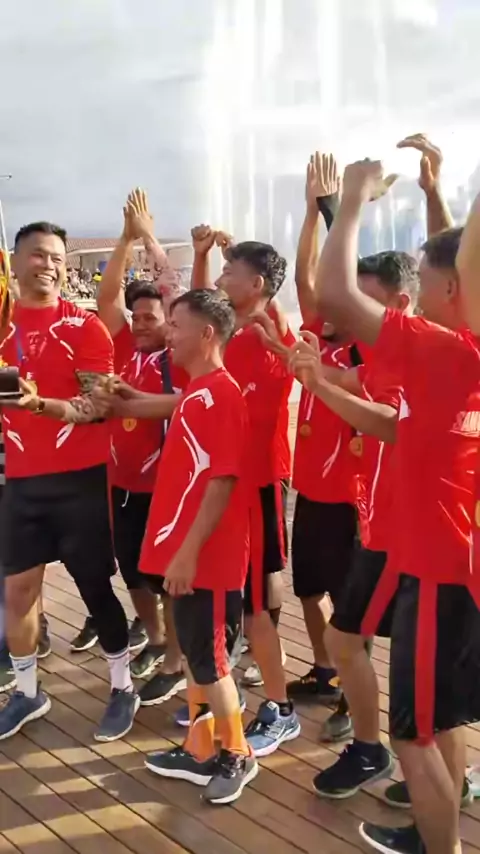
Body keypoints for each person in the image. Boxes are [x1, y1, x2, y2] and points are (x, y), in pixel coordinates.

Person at [316, 159, 480, 854]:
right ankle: (435, 827)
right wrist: (320, 385)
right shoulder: (460, 356)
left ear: (451, 289)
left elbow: (332, 292)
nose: (414, 284)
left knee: (413, 735)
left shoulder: (446, 354)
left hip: (439, 572)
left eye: (425, 274)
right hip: (446, 563)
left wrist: (349, 200)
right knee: (438, 721)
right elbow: (396, 428)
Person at [0, 221, 138, 743]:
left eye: (58, 258)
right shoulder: (2, 326)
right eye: (39, 255)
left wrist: (40, 405)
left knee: (94, 587)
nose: (50, 265)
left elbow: (98, 407)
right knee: (18, 593)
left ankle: (122, 685)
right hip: (22, 483)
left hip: (80, 481)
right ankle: (28, 692)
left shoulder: (85, 327)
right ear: (16, 261)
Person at [289, 249, 419, 799]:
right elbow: (340, 374)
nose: (348, 310)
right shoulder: (380, 359)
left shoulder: (427, 355)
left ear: (401, 303)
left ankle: (440, 781)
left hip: (423, 536)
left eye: (363, 301)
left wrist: (321, 386)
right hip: (379, 525)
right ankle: (371, 748)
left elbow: (391, 423)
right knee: (348, 638)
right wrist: (308, 368)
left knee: (420, 666)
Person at [138, 288, 257, 805]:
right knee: (195, 655)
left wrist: (187, 553)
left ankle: (238, 753)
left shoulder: (221, 394)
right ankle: (201, 746)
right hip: (186, 553)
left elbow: (223, 480)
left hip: (208, 560)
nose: (168, 333)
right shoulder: (196, 391)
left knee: (212, 661)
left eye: (176, 325)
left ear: (206, 334)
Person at [191, 234, 300, 755]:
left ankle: (281, 709)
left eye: (228, 272)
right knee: (236, 598)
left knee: (256, 605)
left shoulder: (272, 334)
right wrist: (202, 256)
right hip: (227, 484)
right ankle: (223, 694)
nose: (219, 280)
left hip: (256, 484)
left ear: (255, 284)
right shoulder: (233, 332)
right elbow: (196, 316)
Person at [84, 190, 189, 705]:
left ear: (169, 321)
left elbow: (174, 289)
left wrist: (149, 236)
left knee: (166, 577)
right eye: (138, 317)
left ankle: (174, 661)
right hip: (120, 485)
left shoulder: (178, 356)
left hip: (163, 488)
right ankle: (155, 637)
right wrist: (125, 240)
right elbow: (108, 301)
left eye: (151, 317)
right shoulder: (123, 346)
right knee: (132, 571)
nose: (142, 323)